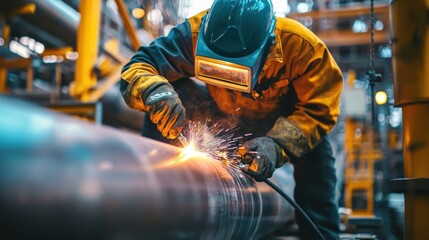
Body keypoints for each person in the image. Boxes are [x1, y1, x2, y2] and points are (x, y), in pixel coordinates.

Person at [120, 0, 343, 239]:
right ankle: (156, 199)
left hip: (278, 128)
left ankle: (321, 234)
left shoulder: (301, 48)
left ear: (267, 48)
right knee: (171, 90)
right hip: (222, 117)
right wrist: (155, 93)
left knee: (317, 155)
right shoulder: (193, 34)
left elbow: (318, 111)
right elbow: (140, 66)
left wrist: (277, 145)